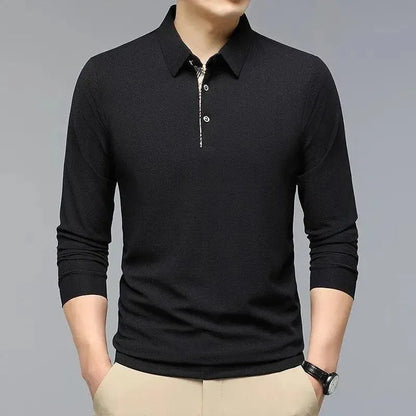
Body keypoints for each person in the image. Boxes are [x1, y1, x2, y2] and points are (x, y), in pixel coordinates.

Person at [56, 1, 359, 415]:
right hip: (142, 387)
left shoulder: (304, 80)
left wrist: (317, 374)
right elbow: (81, 240)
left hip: (273, 386)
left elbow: (334, 235)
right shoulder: (106, 79)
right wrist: (97, 372)